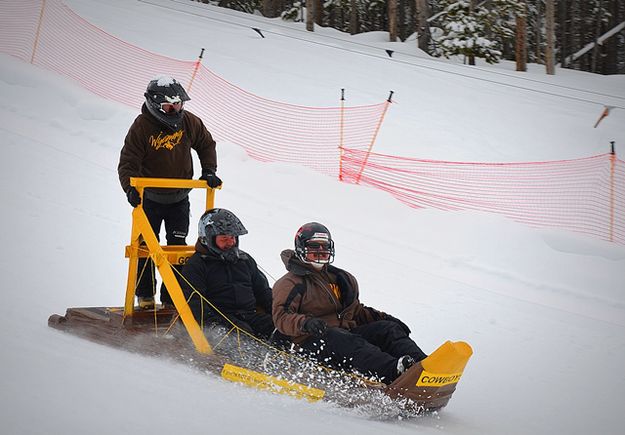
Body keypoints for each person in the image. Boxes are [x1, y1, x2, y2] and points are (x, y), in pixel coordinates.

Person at [272, 222, 427, 384]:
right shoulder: (290, 283)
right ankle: (394, 373)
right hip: (311, 344)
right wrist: (306, 323)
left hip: (344, 335)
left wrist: (385, 318)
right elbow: (281, 317)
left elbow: (355, 311)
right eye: (314, 247)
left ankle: (424, 367)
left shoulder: (339, 278)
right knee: (346, 340)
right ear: (301, 248)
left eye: (324, 247)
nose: (320, 251)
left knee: (387, 329)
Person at [118, 75, 223, 309]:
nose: (175, 108)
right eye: (169, 104)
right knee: (145, 250)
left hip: (179, 199)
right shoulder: (142, 127)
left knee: (178, 249)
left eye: (178, 103)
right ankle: (145, 298)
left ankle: (172, 299)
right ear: (155, 104)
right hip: (149, 200)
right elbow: (128, 162)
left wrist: (209, 171)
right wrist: (130, 189)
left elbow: (206, 143)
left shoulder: (189, 122)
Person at [180, 208, 276, 340]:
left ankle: (289, 358)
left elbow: (262, 291)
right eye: (224, 239)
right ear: (208, 239)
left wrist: (279, 314)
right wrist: (213, 325)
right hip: (220, 319)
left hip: (249, 315)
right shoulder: (196, 266)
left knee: (279, 330)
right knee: (242, 336)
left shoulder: (245, 260)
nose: (231, 243)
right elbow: (196, 304)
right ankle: (251, 360)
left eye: (233, 238)